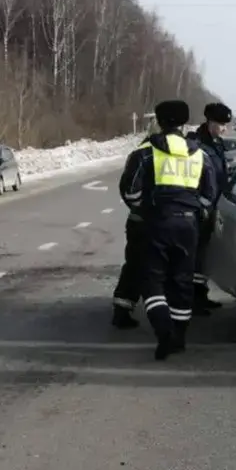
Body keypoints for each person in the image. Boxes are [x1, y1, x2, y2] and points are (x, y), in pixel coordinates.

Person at [120, 99, 218, 360]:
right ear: (185, 122)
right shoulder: (200, 154)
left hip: (158, 224)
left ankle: (163, 329)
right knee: (182, 282)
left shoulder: (146, 152)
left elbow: (130, 192)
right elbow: (209, 194)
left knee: (152, 280)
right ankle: (179, 337)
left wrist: (145, 210)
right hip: (188, 227)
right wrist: (197, 213)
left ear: (159, 122)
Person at [186, 102, 233, 313]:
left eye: (226, 125)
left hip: (213, 206)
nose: (224, 129)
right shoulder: (195, 144)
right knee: (195, 255)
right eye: (221, 124)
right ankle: (191, 299)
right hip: (199, 208)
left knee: (205, 255)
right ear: (210, 121)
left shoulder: (217, 144)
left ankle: (200, 294)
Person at [111, 124, 156, 329]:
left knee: (135, 266)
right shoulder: (145, 153)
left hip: (142, 220)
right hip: (151, 221)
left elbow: (128, 191)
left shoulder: (141, 152)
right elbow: (129, 190)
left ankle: (123, 309)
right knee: (140, 266)